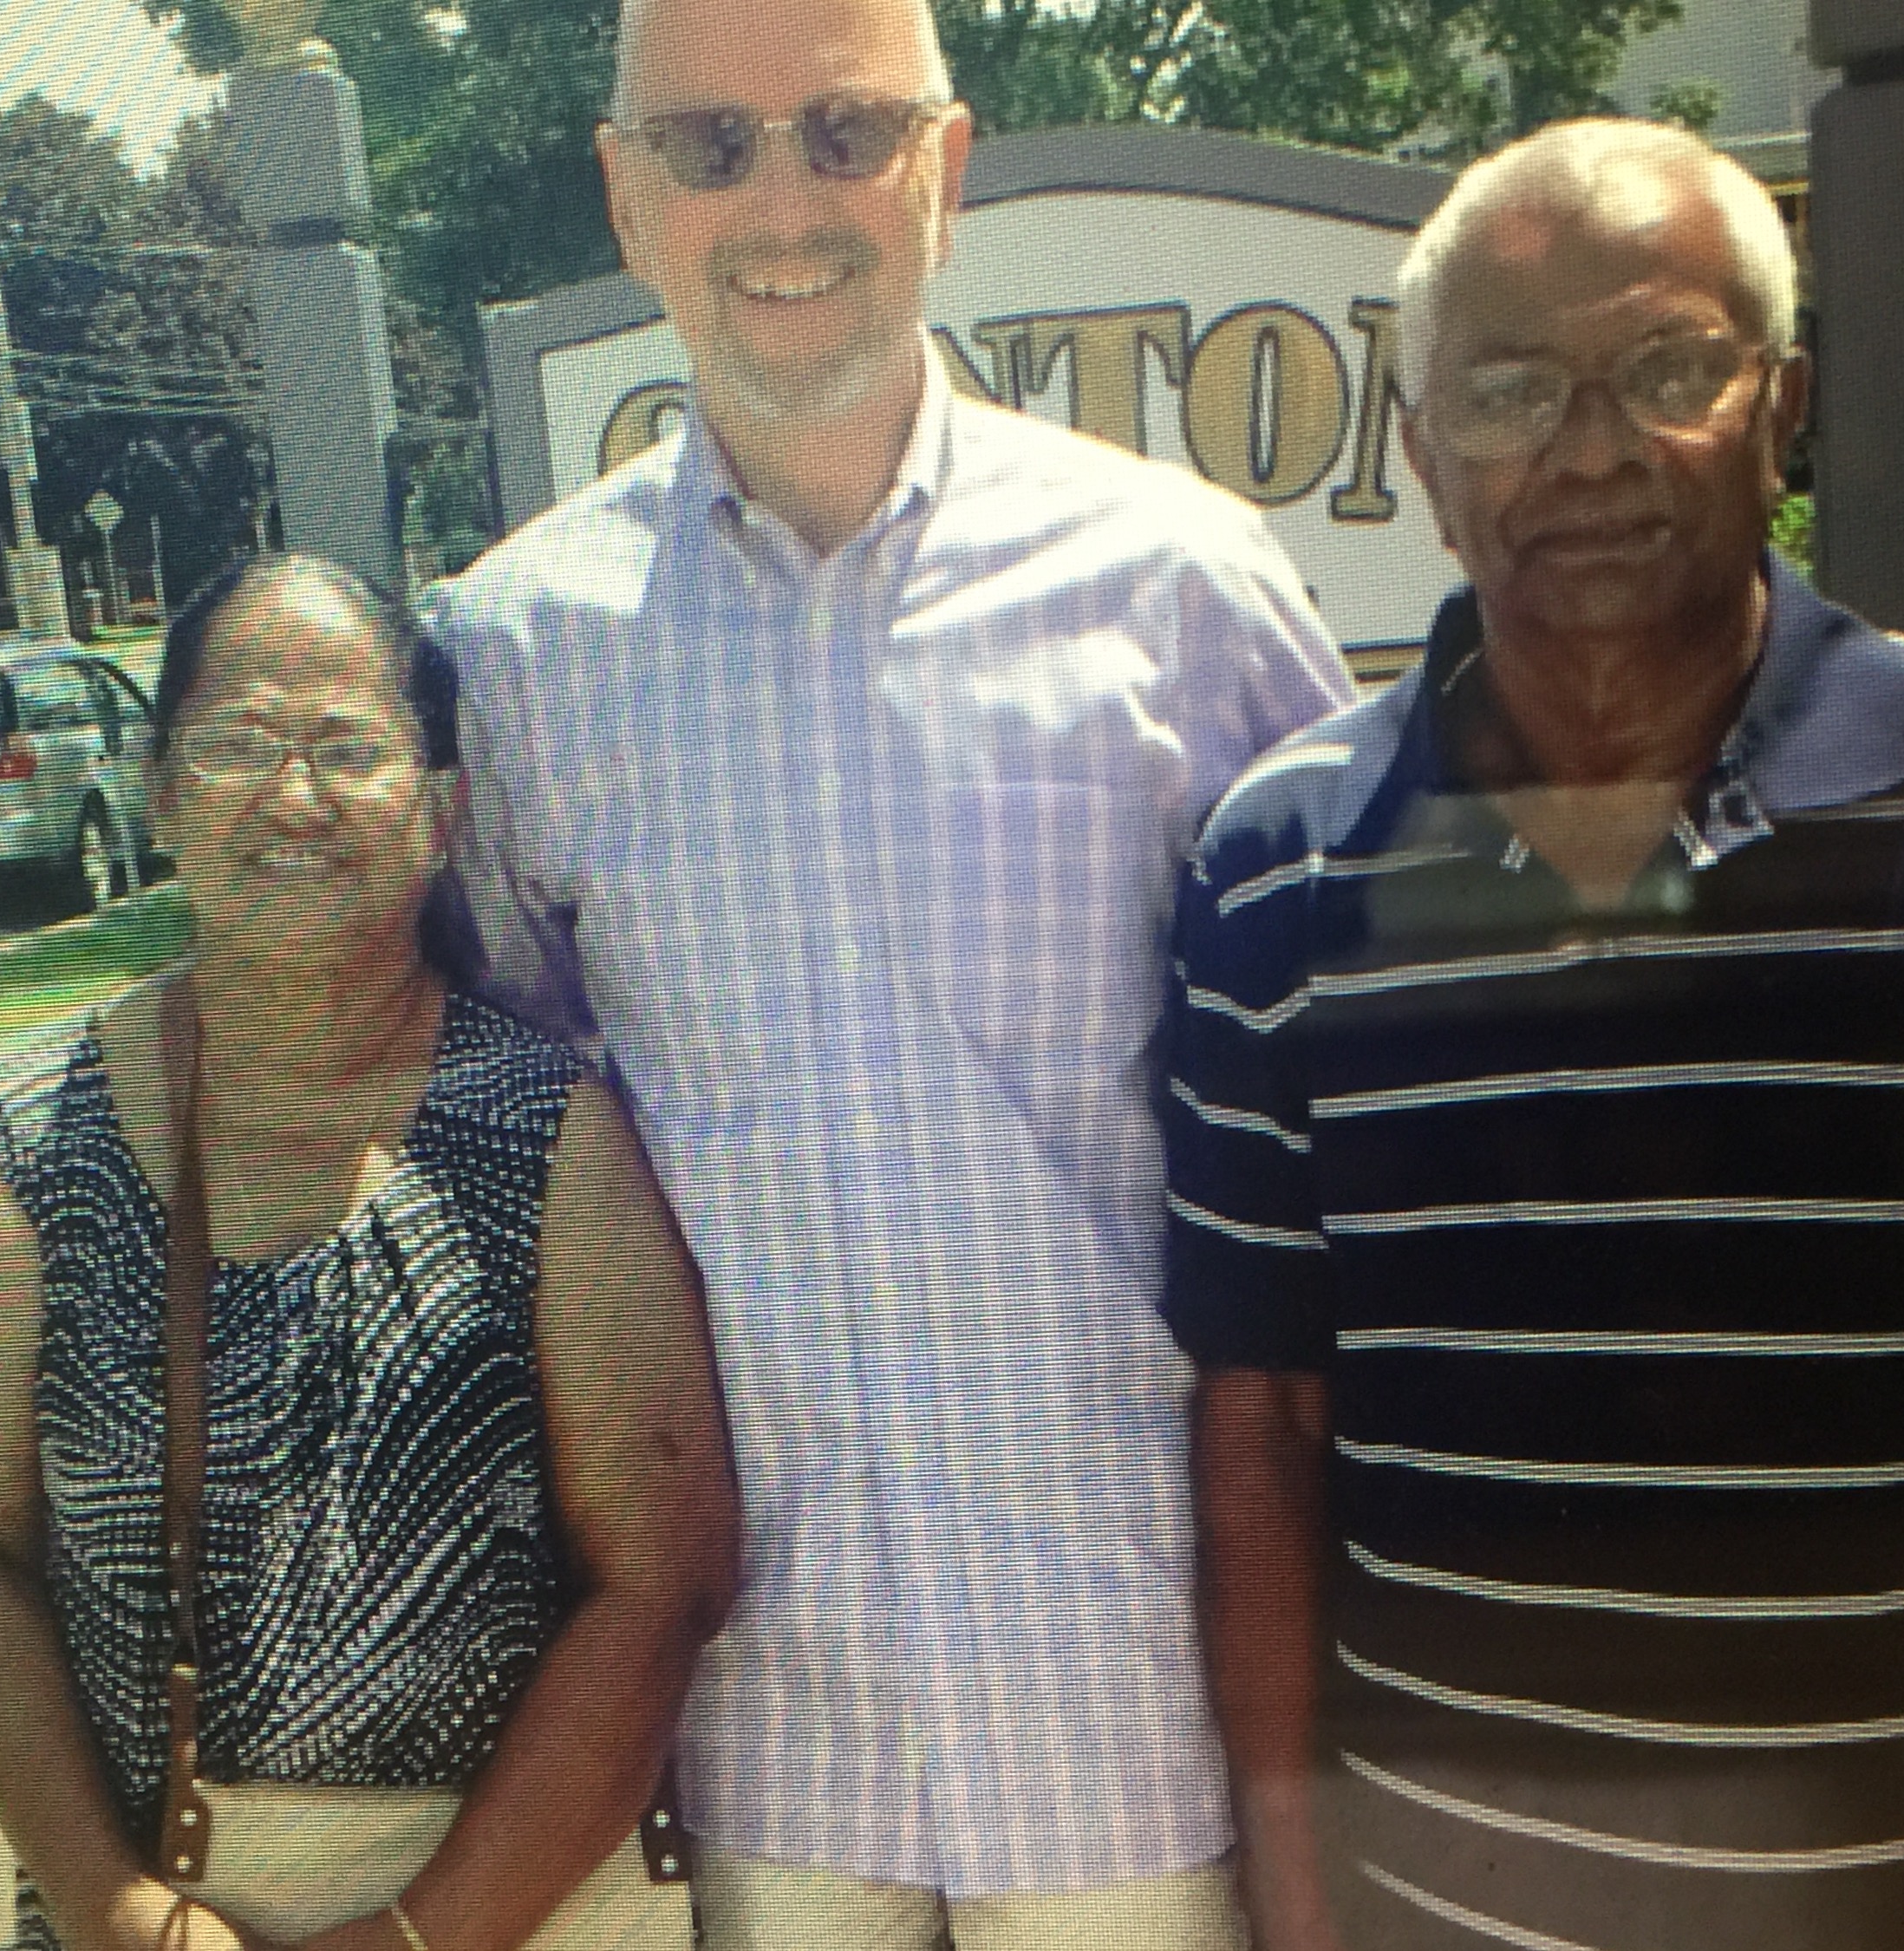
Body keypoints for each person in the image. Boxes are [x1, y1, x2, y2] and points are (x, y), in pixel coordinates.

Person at [1163, 118, 1904, 1951]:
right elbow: (1267, 1428)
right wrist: (1299, 1907)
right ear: (1419, 457)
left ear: (1778, 408)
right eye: (1509, 391)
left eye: (1669, 368)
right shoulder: (1280, 866)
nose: (1593, 448)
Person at [423, 0, 1354, 1941]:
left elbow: (1346, 1134)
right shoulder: (516, 659)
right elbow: (513, 1185)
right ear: (624, 195)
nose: (784, 197)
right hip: (762, 1724)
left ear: (943, 168)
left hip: (1127, 1700)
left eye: (846, 131)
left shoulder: (1183, 587)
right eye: (710, 146)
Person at [0, 553, 742, 1951]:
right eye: (234, 744)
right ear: (160, 790)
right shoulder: (31, 1146)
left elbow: (665, 1577)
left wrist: (422, 1933)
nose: (292, 798)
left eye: (349, 748)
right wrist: (114, 1904)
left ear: (442, 808)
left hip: (508, 1916)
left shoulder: (551, 1137)